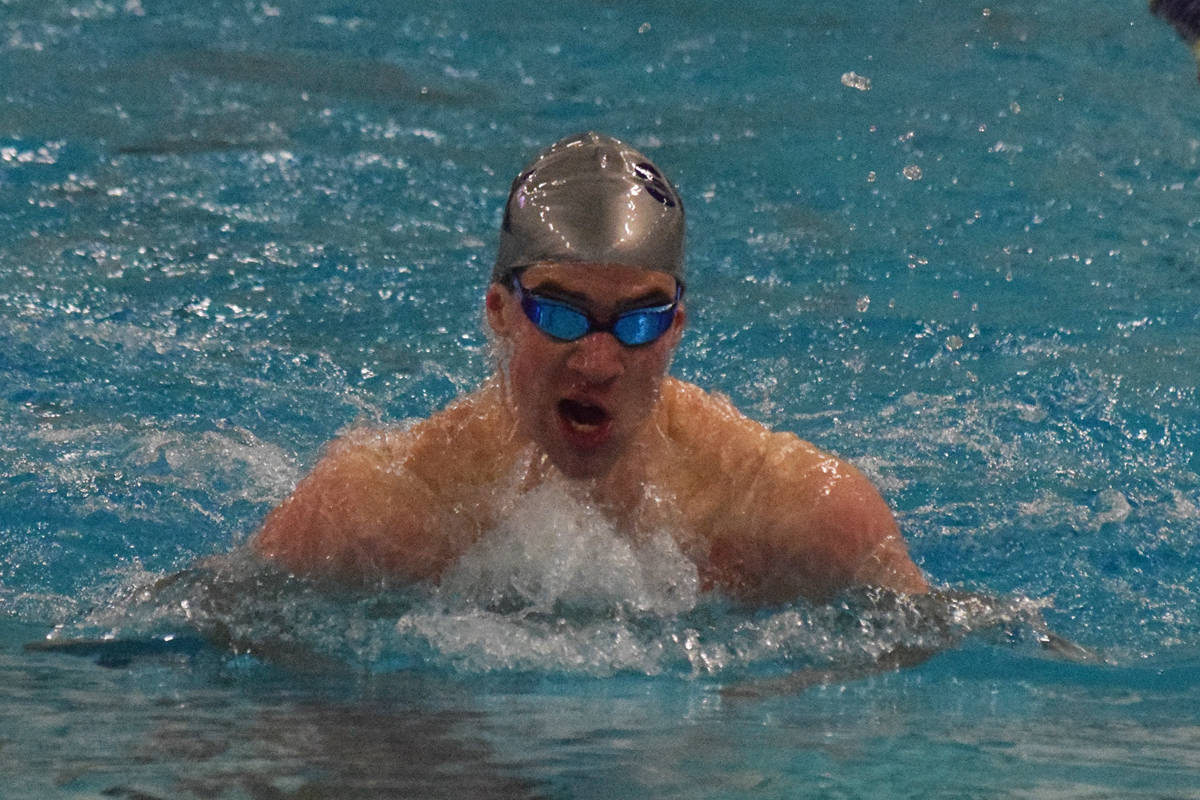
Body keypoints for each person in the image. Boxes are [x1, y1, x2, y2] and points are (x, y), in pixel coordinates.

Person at [253, 131, 929, 605]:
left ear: (677, 329)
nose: (599, 362)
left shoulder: (799, 511)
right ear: (499, 310)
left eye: (638, 322)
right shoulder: (376, 511)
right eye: (563, 314)